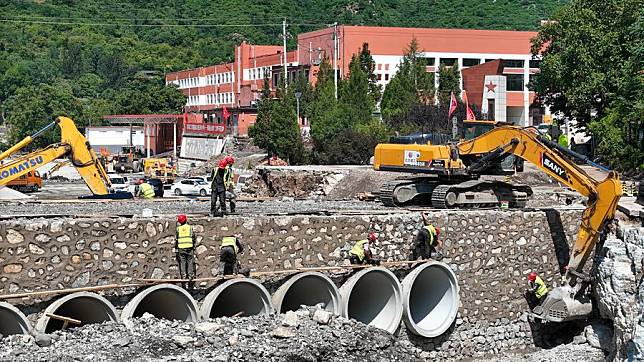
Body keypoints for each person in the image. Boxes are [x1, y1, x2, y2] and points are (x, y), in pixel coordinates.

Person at [175, 214, 196, 290]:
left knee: (182, 262)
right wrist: (193, 246)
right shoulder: (190, 228)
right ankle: (190, 276)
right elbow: (193, 237)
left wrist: (176, 248)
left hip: (181, 248)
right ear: (186, 220)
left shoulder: (178, 229)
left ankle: (184, 276)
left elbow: (176, 239)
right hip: (189, 247)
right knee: (190, 261)